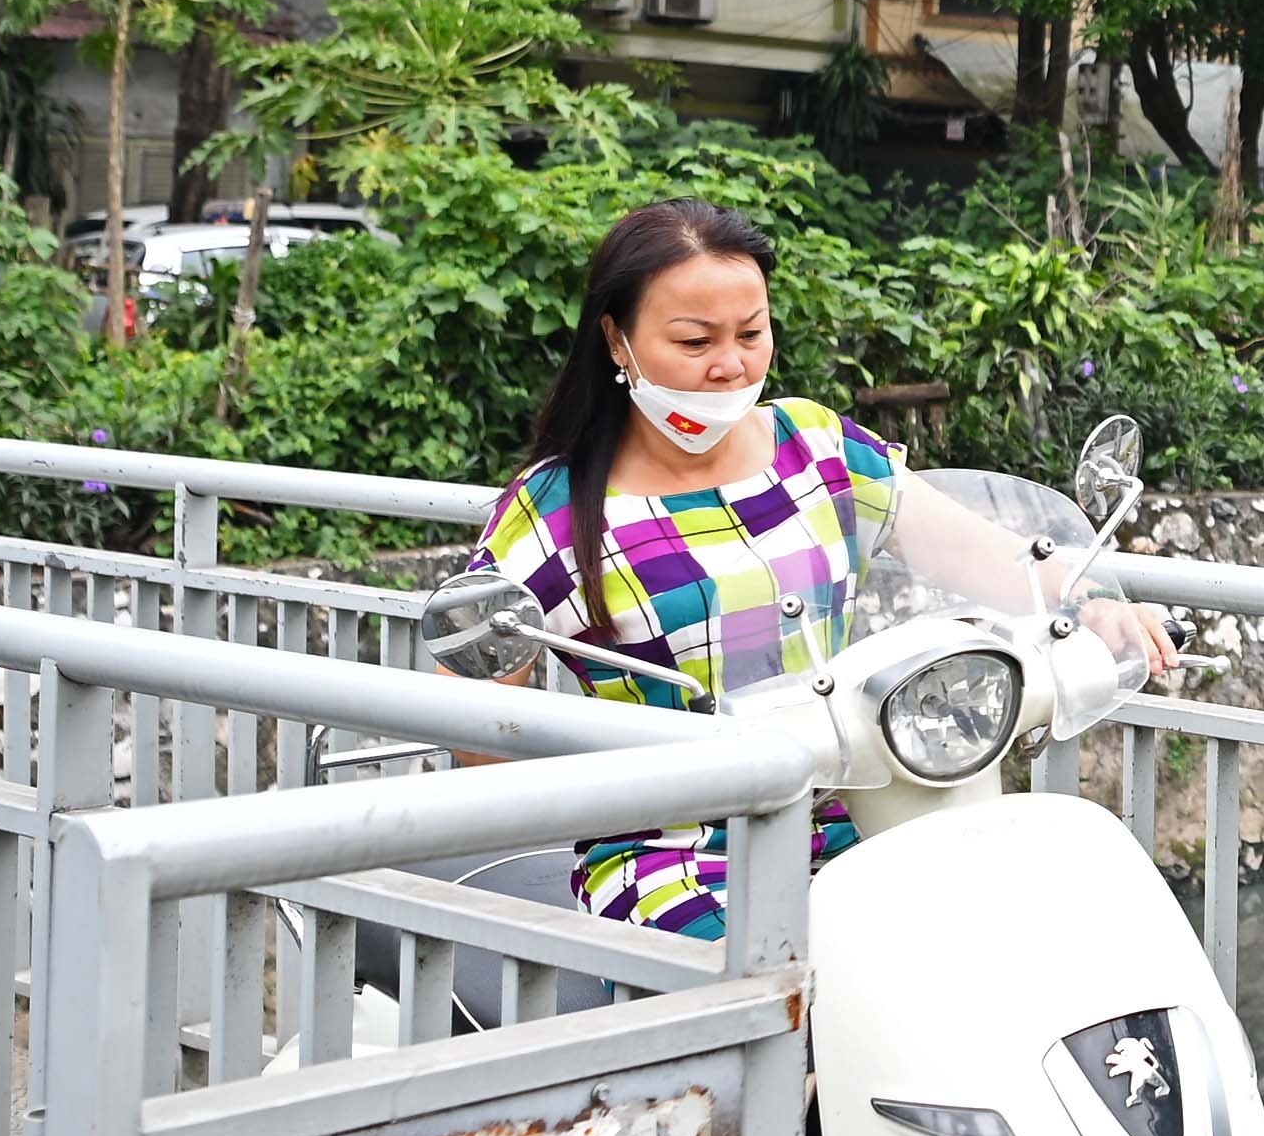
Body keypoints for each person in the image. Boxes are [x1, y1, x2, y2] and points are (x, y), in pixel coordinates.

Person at [476, 195, 1163, 937]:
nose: (731, 365)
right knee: (789, 1008)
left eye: (750, 332)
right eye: (695, 340)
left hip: (864, 810)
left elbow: (976, 550)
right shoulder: (553, 510)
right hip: (673, 853)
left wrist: (1092, 602)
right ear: (617, 339)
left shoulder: (818, 447)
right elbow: (475, 717)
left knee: (1016, 942)